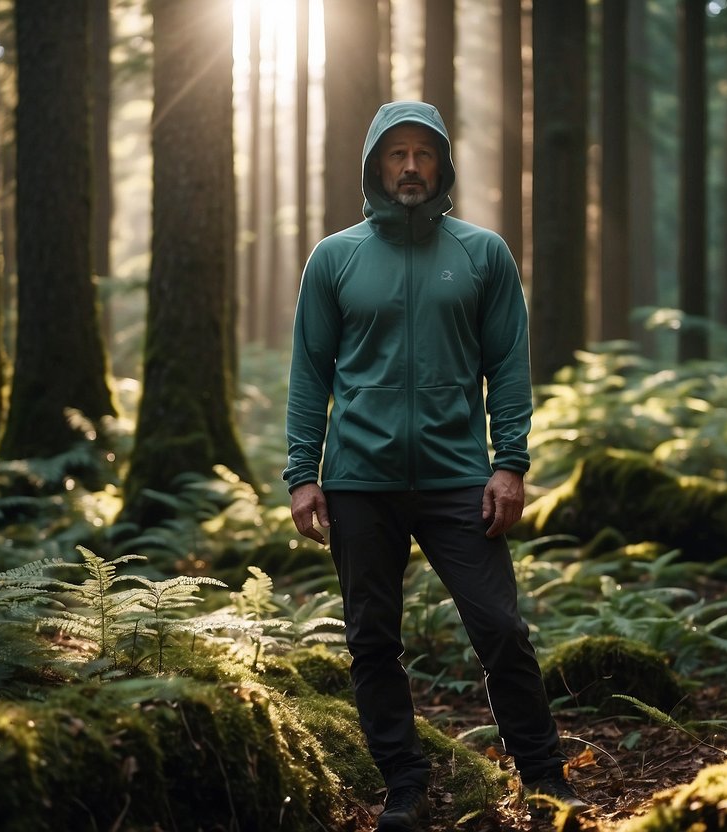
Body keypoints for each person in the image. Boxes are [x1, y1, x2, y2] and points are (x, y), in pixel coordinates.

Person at [284, 101, 586, 831]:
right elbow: (309, 373)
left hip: (459, 479)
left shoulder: (482, 253)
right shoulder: (335, 257)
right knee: (372, 641)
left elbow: (508, 369)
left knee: (501, 631)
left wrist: (508, 464)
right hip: (359, 482)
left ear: (442, 165)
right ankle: (404, 786)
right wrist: (302, 474)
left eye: (424, 153)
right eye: (397, 154)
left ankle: (545, 780)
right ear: (375, 166)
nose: (411, 166)